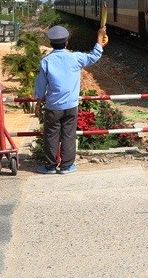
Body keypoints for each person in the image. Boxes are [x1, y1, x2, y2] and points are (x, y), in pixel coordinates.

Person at [33, 24, 107, 174]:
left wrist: (38, 102)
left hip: (53, 106)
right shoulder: (76, 58)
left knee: (51, 136)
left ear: (51, 43)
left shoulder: (46, 61)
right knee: (68, 135)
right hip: (71, 106)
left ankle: (50, 166)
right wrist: (99, 38)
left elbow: (41, 85)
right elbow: (94, 55)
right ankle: (66, 166)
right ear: (66, 42)